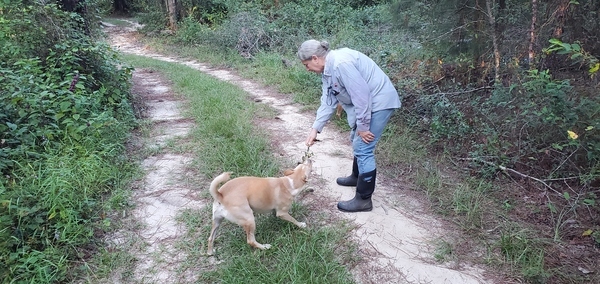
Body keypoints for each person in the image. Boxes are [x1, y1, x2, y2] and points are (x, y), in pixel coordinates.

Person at [297, 39, 401, 212]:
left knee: (363, 146)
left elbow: (362, 96)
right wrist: (315, 128)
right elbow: (328, 101)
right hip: (369, 102)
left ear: (315, 58)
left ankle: (364, 200)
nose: (307, 69)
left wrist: (363, 126)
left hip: (379, 101)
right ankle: (356, 176)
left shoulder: (340, 64)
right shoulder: (328, 71)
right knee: (356, 140)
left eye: (306, 65)